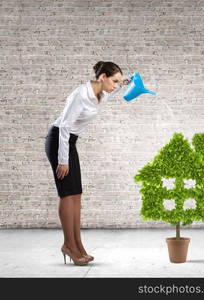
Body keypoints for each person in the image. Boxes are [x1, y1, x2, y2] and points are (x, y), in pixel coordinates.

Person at [44, 61, 130, 265]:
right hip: (59, 141)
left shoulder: (101, 93)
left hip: (70, 142)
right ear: (102, 77)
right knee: (67, 194)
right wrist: (62, 160)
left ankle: (78, 245)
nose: (116, 85)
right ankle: (69, 245)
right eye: (114, 81)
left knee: (76, 195)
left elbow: (110, 91)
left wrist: (126, 82)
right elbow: (64, 126)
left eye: (119, 82)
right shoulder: (80, 95)